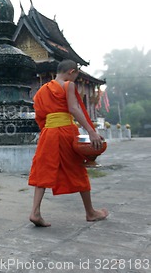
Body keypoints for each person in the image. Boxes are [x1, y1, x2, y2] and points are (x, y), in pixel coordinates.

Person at [28, 59, 109, 227]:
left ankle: (35, 212)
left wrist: (49, 128)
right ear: (71, 72)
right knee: (78, 169)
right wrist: (91, 131)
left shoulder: (42, 91)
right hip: (65, 132)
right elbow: (73, 109)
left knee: (43, 170)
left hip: (48, 133)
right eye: (76, 76)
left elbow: (40, 117)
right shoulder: (67, 85)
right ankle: (90, 212)